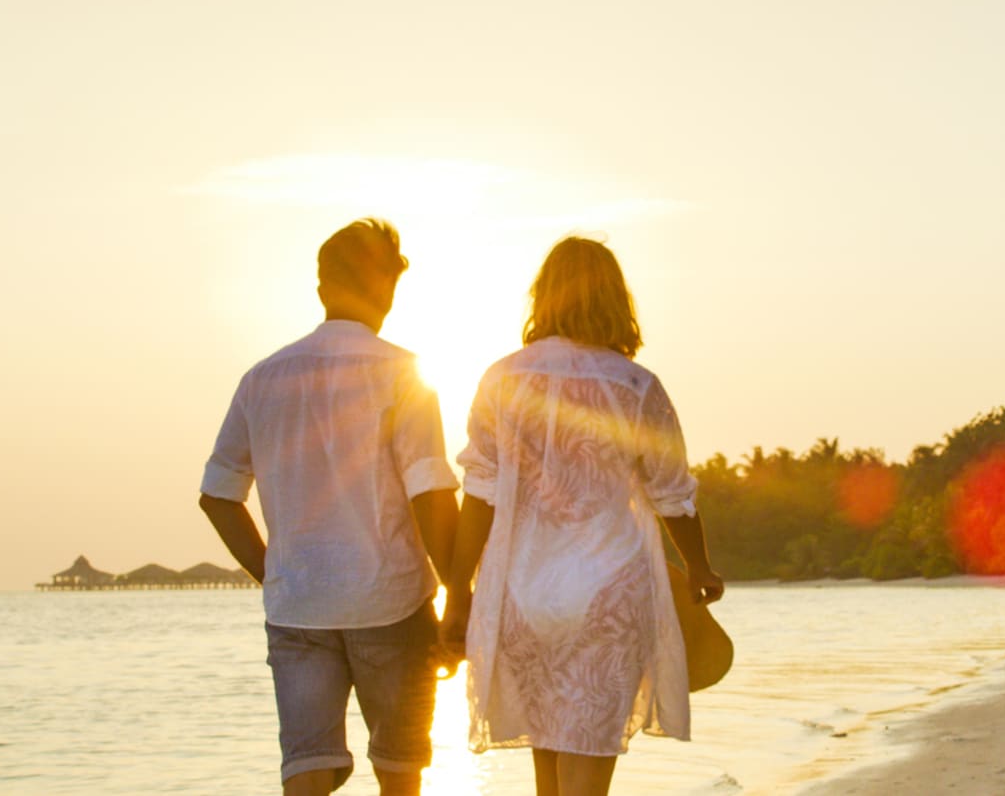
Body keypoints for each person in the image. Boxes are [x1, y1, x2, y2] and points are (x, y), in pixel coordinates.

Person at [444, 235, 723, 796]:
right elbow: (672, 493)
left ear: (543, 297)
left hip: (524, 597)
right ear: (616, 299)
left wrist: (457, 591)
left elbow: (480, 491)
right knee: (588, 775)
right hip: (609, 597)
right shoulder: (636, 385)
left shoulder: (501, 379)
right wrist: (699, 568)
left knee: (549, 775)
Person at [197, 218, 464, 796]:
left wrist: (274, 572)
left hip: (297, 608)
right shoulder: (403, 372)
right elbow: (430, 493)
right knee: (399, 775)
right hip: (391, 604)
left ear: (321, 289)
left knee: (306, 773)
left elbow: (217, 497)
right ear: (389, 288)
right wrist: (460, 596)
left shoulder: (262, 378)